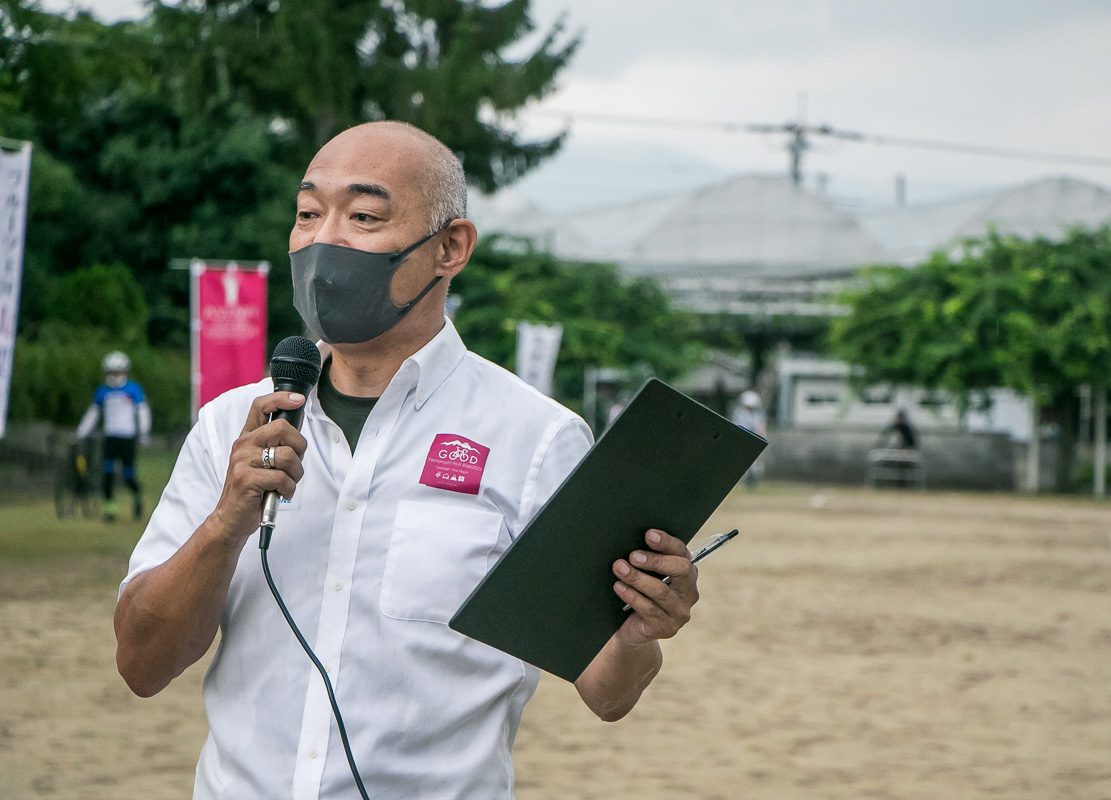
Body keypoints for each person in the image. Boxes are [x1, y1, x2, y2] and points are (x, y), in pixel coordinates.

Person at [113, 122, 700, 799]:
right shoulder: (229, 428)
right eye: (308, 214)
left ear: (451, 246)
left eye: (363, 216)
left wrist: (637, 626)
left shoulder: (535, 438)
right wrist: (225, 524)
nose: (325, 239)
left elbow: (607, 690)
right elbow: (141, 664)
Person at [76, 351, 151, 521]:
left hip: (127, 438)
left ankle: (137, 499)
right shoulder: (102, 392)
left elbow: (143, 412)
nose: (114, 375)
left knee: (128, 476)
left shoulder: (133, 389)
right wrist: (81, 432)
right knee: (107, 474)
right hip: (110, 438)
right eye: (111, 372)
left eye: (117, 372)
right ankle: (110, 510)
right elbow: (93, 414)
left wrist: (143, 433)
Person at [731, 390, 767, 487]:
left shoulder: (758, 414)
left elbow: (760, 428)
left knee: (756, 462)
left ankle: (754, 480)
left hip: (754, 439)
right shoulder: (738, 413)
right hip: (743, 439)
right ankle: (743, 479)